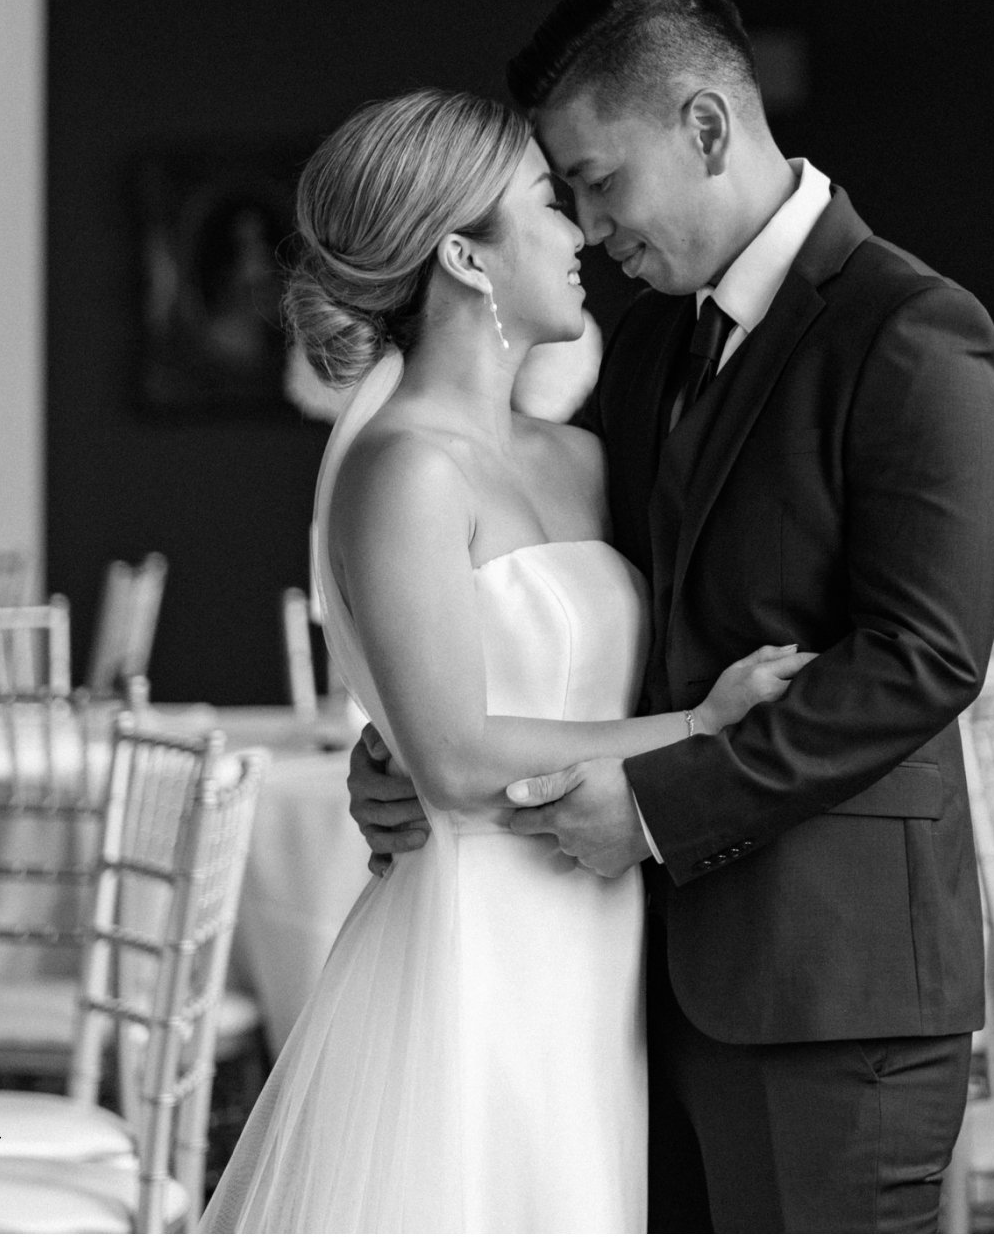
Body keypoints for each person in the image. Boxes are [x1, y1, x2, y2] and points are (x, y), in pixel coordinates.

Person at [347, 0, 994, 1231]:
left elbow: (924, 660)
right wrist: (415, 746)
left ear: (705, 127)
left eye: (599, 181)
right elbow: (565, 591)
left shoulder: (913, 331)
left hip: (831, 991)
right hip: (628, 984)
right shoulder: (653, 340)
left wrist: (660, 807)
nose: (590, 228)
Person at [202, 89, 811, 1232]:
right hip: (480, 941)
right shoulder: (404, 470)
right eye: (547, 200)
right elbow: (454, 755)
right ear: (464, 256)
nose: (580, 230)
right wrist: (700, 730)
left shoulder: (585, 460)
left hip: (607, 937)